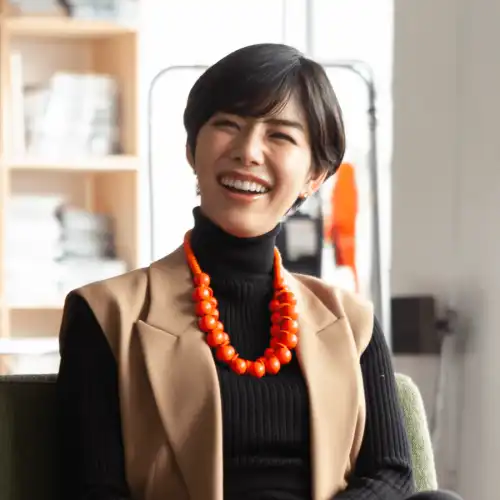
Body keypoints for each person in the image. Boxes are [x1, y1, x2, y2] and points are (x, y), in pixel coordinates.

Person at [57, 43, 463, 500]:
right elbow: (94, 490)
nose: (248, 151)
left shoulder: (351, 321)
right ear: (192, 149)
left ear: (315, 175)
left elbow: (390, 473)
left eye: (280, 136)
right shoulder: (106, 313)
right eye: (227, 125)